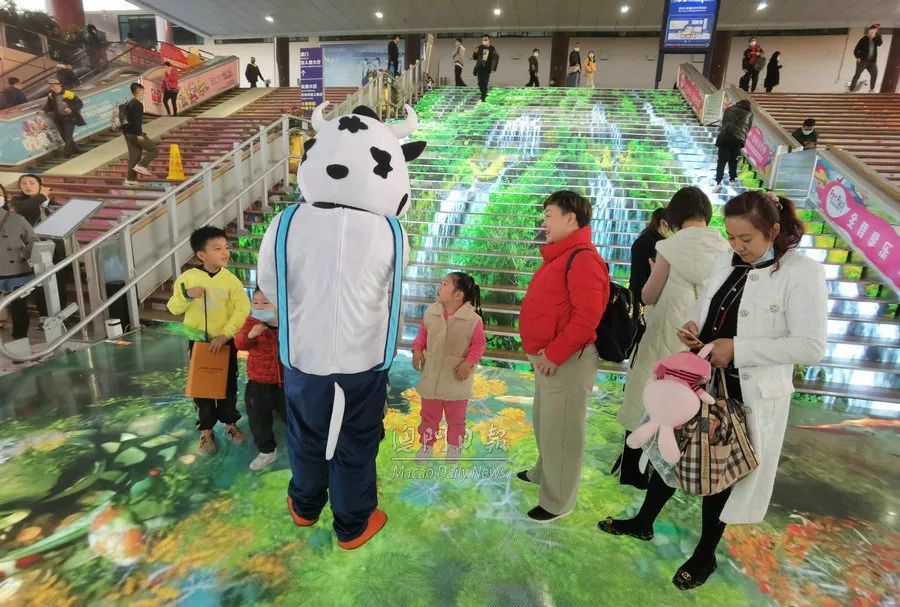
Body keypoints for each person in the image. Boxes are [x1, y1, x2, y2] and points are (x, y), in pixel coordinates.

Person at [600, 190, 827, 591]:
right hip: (701, 377)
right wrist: (693, 325)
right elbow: (706, 303)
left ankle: (705, 554)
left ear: (773, 230)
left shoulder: (801, 272)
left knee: (720, 468)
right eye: (732, 237)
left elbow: (811, 345)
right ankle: (644, 521)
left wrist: (738, 349)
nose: (737, 246)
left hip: (745, 390)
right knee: (671, 448)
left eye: (746, 239)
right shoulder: (726, 259)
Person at [257, 104, 425, 550]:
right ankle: (352, 523)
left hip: (304, 356)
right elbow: (391, 293)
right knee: (356, 441)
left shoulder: (284, 222)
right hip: (364, 359)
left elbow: (270, 285)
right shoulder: (392, 232)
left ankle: (304, 505)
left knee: (304, 433)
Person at [614, 188, 730, 489]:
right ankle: (666, 472)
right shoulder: (725, 248)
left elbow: (648, 295)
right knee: (681, 404)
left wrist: (655, 272)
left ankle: (631, 470)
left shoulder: (669, 246)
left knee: (644, 395)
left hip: (663, 334)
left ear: (675, 215)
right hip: (696, 340)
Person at [517, 190, 610, 522]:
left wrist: (554, 354)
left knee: (563, 433)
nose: (544, 222)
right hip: (549, 361)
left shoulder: (582, 258)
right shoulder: (560, 255)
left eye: (549, 215)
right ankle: (543, 472)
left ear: (570, 218)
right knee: (546, 423)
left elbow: (588, 316)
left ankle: (558, 501)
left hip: (566, 362)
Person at [166, 226, 251, 455]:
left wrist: (226, 334)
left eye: (226, 247)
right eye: (217, 248)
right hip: (199, 343)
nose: (225, 252)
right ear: (201, 255)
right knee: (202, 387)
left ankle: (230, 424)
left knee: (227, 385)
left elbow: (242, 309)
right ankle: (206, 430)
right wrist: (187, 295)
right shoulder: (188, 278)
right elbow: (173, 307)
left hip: (225, 342)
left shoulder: (231, 280)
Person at [412, 272, 487, 463]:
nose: (439, 287)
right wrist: (417, 350)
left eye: (445, 284)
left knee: (456, 418)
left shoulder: (473, 320)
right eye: (441, 283)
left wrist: (468, 363)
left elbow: (479, 344)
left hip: (456, 377)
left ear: (458, 295)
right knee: (428, 415)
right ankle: (426, 445)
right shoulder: (431, 313)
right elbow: (422, 334)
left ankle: (454, 447)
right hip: (432, 375)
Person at [234, 288, 286, 471]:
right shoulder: (252, 322)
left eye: (265, 302)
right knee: (258, 419)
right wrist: (250, 335)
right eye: (255, 302)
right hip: (258, 382)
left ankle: (305, 446)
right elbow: (239, 343)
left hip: (285, 383)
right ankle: (267, 450)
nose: (259, 306)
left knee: (294, 417)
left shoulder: (288, 321)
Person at [10, 174, 70, 314]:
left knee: (59, 283)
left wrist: (45, 201)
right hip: (34, 250)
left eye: (32, 183)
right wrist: (41, 196)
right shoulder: (18, 202)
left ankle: (62, 316)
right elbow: (25, 209)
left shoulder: (54, 204)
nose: (27, 186)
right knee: (40, 285)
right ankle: (44, 316)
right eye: (24, 183)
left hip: (56, 250)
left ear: (40, 186)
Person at [0, 204, 37, 342]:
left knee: (19, 308)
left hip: (17, 271)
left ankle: (20, 341)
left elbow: (33, 241)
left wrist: (23, 255)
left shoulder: (17, 219)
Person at [628, 207, 668, 310]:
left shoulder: (647, 239)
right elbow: (640, 280)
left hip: (640, 297)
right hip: (643, 300)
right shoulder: (651, 243)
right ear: (663, 223)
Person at [38, 78, 84, 158]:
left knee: (68, 136)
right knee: (65, 137)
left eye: (54, 86)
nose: (53, 88)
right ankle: (76, 150)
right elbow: (49, 105)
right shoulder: (51, 95)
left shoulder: (68, 93)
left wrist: (71, 109)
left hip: (70, 118)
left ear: (59, 85)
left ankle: (67, 154)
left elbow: (79, 104)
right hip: (59, 119)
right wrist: (43, 110)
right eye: (51, 87)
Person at [123, 83, 158, 186]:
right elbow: (137, 120)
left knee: (134, 156)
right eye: (143, 90)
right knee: (154, 150)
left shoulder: (129, 103)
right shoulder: (137, 104)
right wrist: (139, 134)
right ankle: (141, 165)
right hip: (135, 133)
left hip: (127, 133)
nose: (144, 91)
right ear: (138, 90)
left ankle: (130, 179)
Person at [714, 100, 753, 192]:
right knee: (733, 160)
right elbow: (748, 127)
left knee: (721, 161)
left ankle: (718, 182)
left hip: (725, 137)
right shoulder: (749, 114)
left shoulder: (729, 109)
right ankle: (732, 179)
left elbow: (724, 122)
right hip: (737, 140)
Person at [850, 25, 882, 93]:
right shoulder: (863, 39)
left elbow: (879, 44)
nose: (872, 33)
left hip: (872, 61)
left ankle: (871, 89)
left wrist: (873, 38)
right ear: (868, 32)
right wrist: (858, 57)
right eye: (871, 31)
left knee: (874, 74)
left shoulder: (877, 38)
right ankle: (851, 90)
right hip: (862, 61)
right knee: (857, 75)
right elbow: (856, 50)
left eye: (875, 31)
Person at [472, 35, 498, 102]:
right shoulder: (480, 47)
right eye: (483, 40)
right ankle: (484, 94)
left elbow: (495, 58)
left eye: (486, 40)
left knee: (485, 82)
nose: (484, 41)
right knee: (480, 82)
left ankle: (483, 96)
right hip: (480, 67)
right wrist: (475, 51)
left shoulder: (492, 48)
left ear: (489, 40)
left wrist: (493, 68)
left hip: (487, 68)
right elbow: (474, 58)